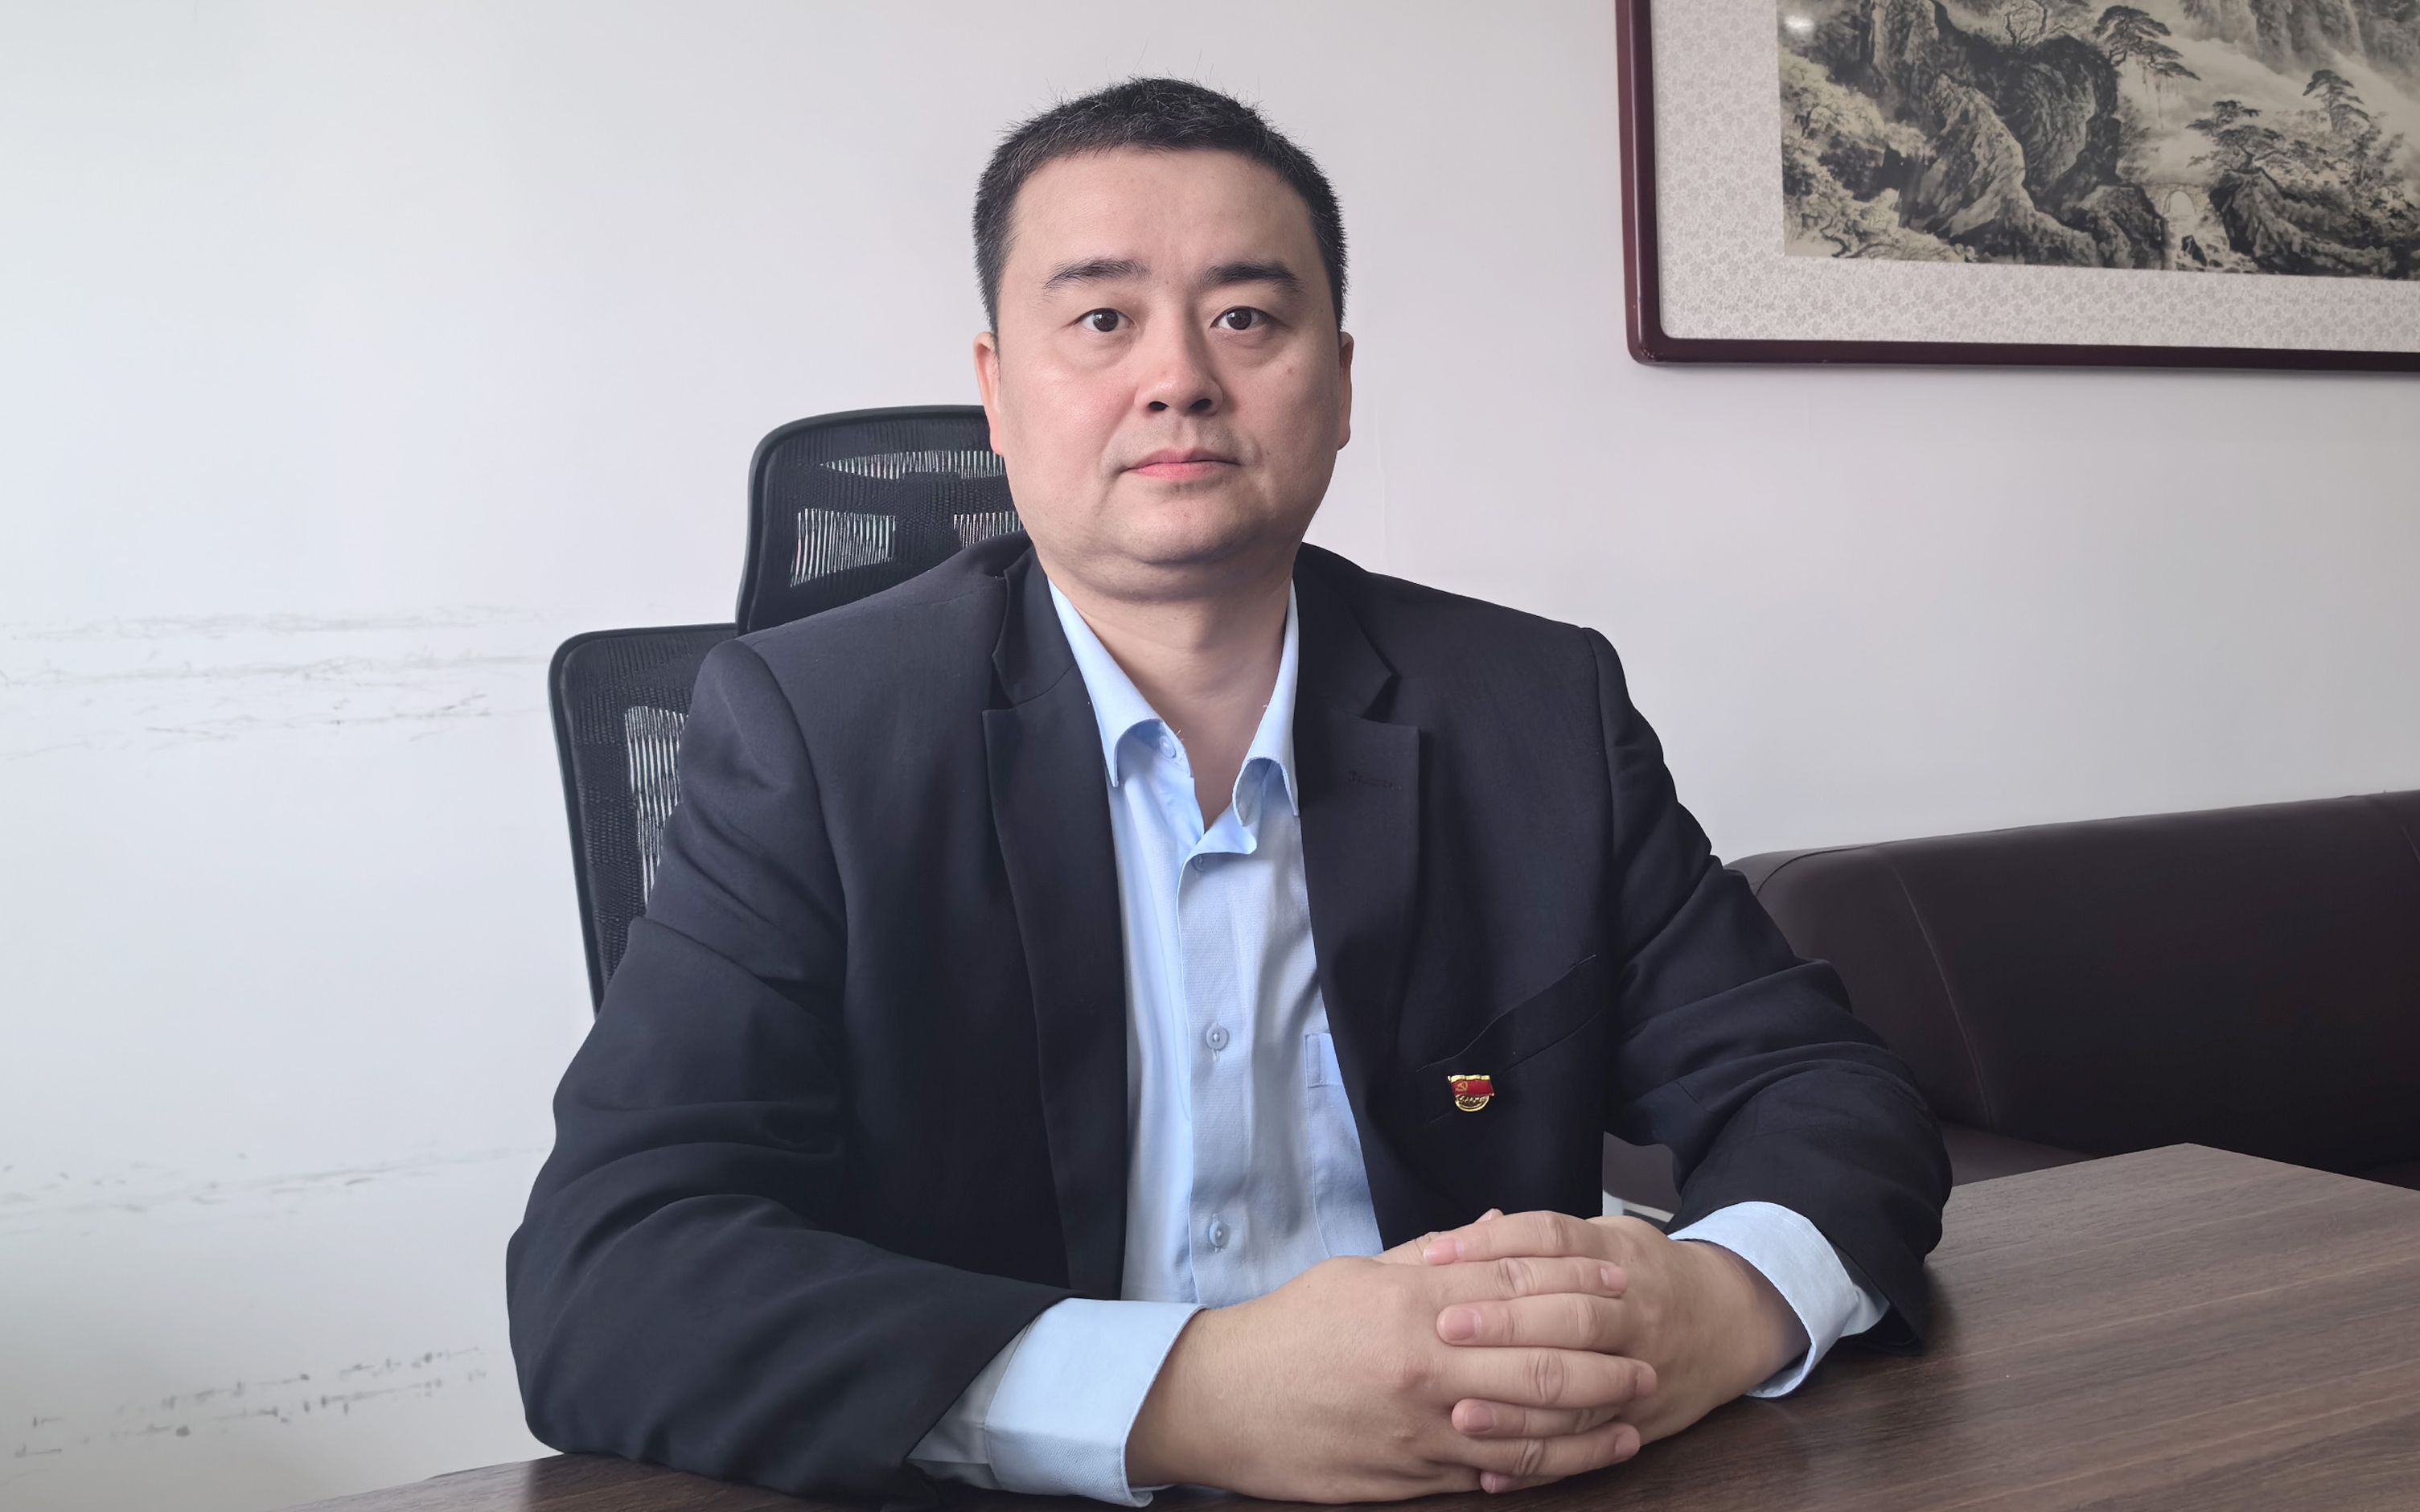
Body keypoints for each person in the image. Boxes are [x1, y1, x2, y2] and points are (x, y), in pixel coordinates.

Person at [505, 76, 1950, 1506]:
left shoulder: (1531, 707)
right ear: (996, 391)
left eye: (1247, 316)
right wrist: (1188, 1397)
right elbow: (611, 1276)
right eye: (1101, 319)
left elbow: (1821, 1089)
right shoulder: (816, 735)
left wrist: (1716, 1305)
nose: (1180, 377)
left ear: (1340, 382)